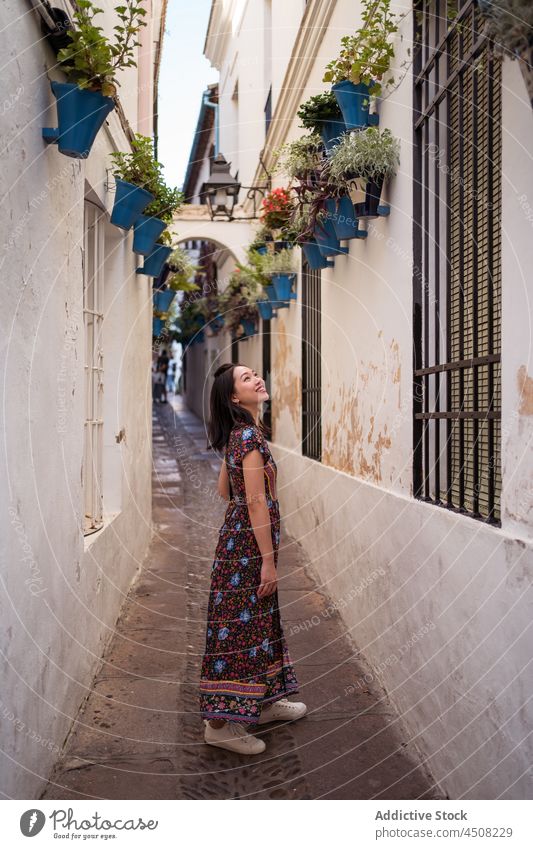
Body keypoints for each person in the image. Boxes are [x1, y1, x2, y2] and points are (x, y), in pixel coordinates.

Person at [199, 362, 306, 755]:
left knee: (262, 624)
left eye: (254, 374)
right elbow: (256, 502)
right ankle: (219, 725)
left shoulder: (243, 435)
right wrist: (268, 560)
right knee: (237, 633)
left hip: (238, 544)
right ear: (233, 397)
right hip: (245, 551)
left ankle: (267, 701)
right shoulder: (247, 437)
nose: (257, 379)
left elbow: (224, 491)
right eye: (247, 379)